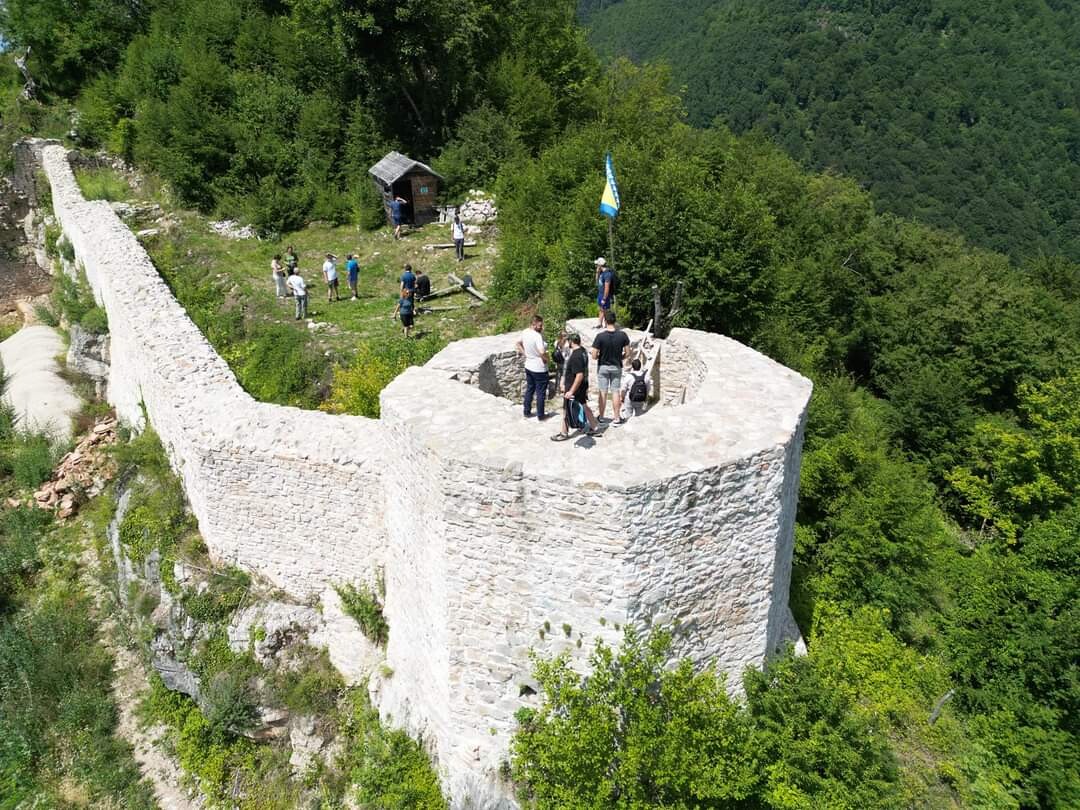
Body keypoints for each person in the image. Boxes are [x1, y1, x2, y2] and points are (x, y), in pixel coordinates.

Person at [551, 333, 601, 441]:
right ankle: (594, 427)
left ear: (571, 342)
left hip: (574, 387)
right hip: (582, 386)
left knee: (566, 410)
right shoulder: (583, 351)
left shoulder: (576, 356)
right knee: (584, 405)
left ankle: (564, 433)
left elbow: (579, 375)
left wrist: (570, 391)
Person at [591, 310, 630, 424]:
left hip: (603, 366)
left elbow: (593, 355)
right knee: (615, 392)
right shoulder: (622, 335)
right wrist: (620, 358)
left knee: (602, 392)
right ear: (615, 320)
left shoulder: (600, 336)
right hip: (616, 366)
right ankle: (617, 418)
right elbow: (628, 353)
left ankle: (602, 417)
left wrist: (601, 356)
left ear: (605, 321)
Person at [515, 314, 550, 421]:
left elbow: (518, 343)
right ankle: (541, 415)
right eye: (540, 325)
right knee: (540, 392)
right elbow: (542, 351)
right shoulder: (537, 336)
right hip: (539, 368)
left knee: (530, 389)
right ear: (534, 324)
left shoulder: (525, 332)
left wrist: (525, 354)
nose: (541, 327)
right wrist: (546, 359)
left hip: (528, 366)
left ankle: (526, 411)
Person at [595, 257, 615, 328]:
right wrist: (597, 272)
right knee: (601, 309)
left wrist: (604, 298)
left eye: (597, 265)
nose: (596, 266)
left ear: (600, 265)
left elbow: (607, 288)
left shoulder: (607, 274)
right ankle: (600, 324)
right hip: (600, 293)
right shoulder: (601, 273)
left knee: (606, 310)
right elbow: (597, 282)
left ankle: (607, 325)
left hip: (605, 295)